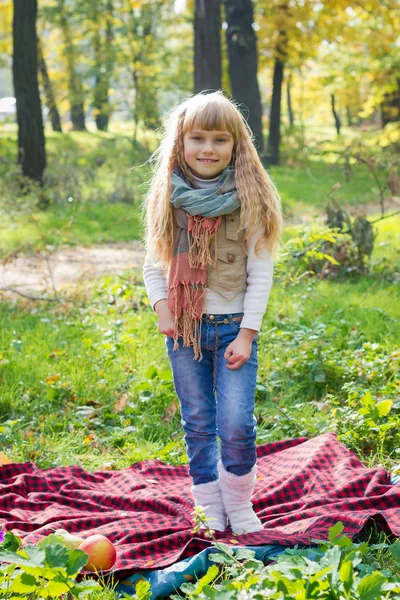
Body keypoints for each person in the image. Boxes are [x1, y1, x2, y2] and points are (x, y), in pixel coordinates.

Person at [142, 91, 282, 534]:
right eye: (197, 138)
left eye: (219, 140)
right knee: (198, 421)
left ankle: (239, 505)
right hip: (184, 330)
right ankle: (209, 505)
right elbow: (153, 263)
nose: (207, 149)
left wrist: (247, 333)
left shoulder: (250, 200)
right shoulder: (169, 197)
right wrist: (163, 308)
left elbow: (260, 273)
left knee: (236, 423)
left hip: (231, 330)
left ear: (236, 146)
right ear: (180, 144)